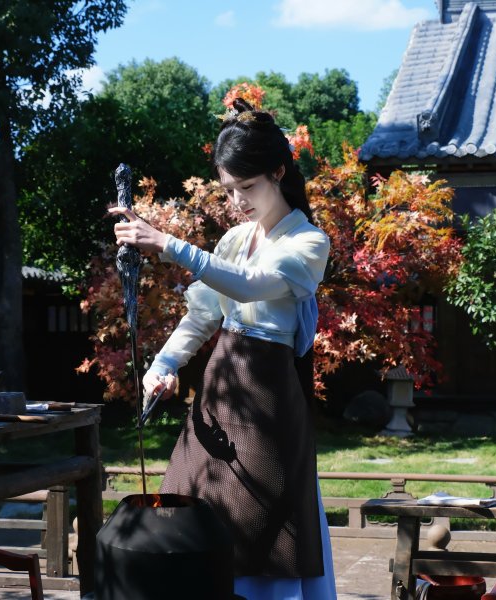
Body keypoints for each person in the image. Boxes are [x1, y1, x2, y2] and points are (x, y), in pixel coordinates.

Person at [110, 99, 336, 600]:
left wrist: (167, 243)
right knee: (191, 510)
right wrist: (165, 364)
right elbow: (203, 314)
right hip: (218, 390)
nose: (237, 201)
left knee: (261, 525)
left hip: (268, 401)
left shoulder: (308, 242)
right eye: (229, 189)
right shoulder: (234, 239)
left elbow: (250, 286)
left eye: (247, 187)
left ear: (278, 173)